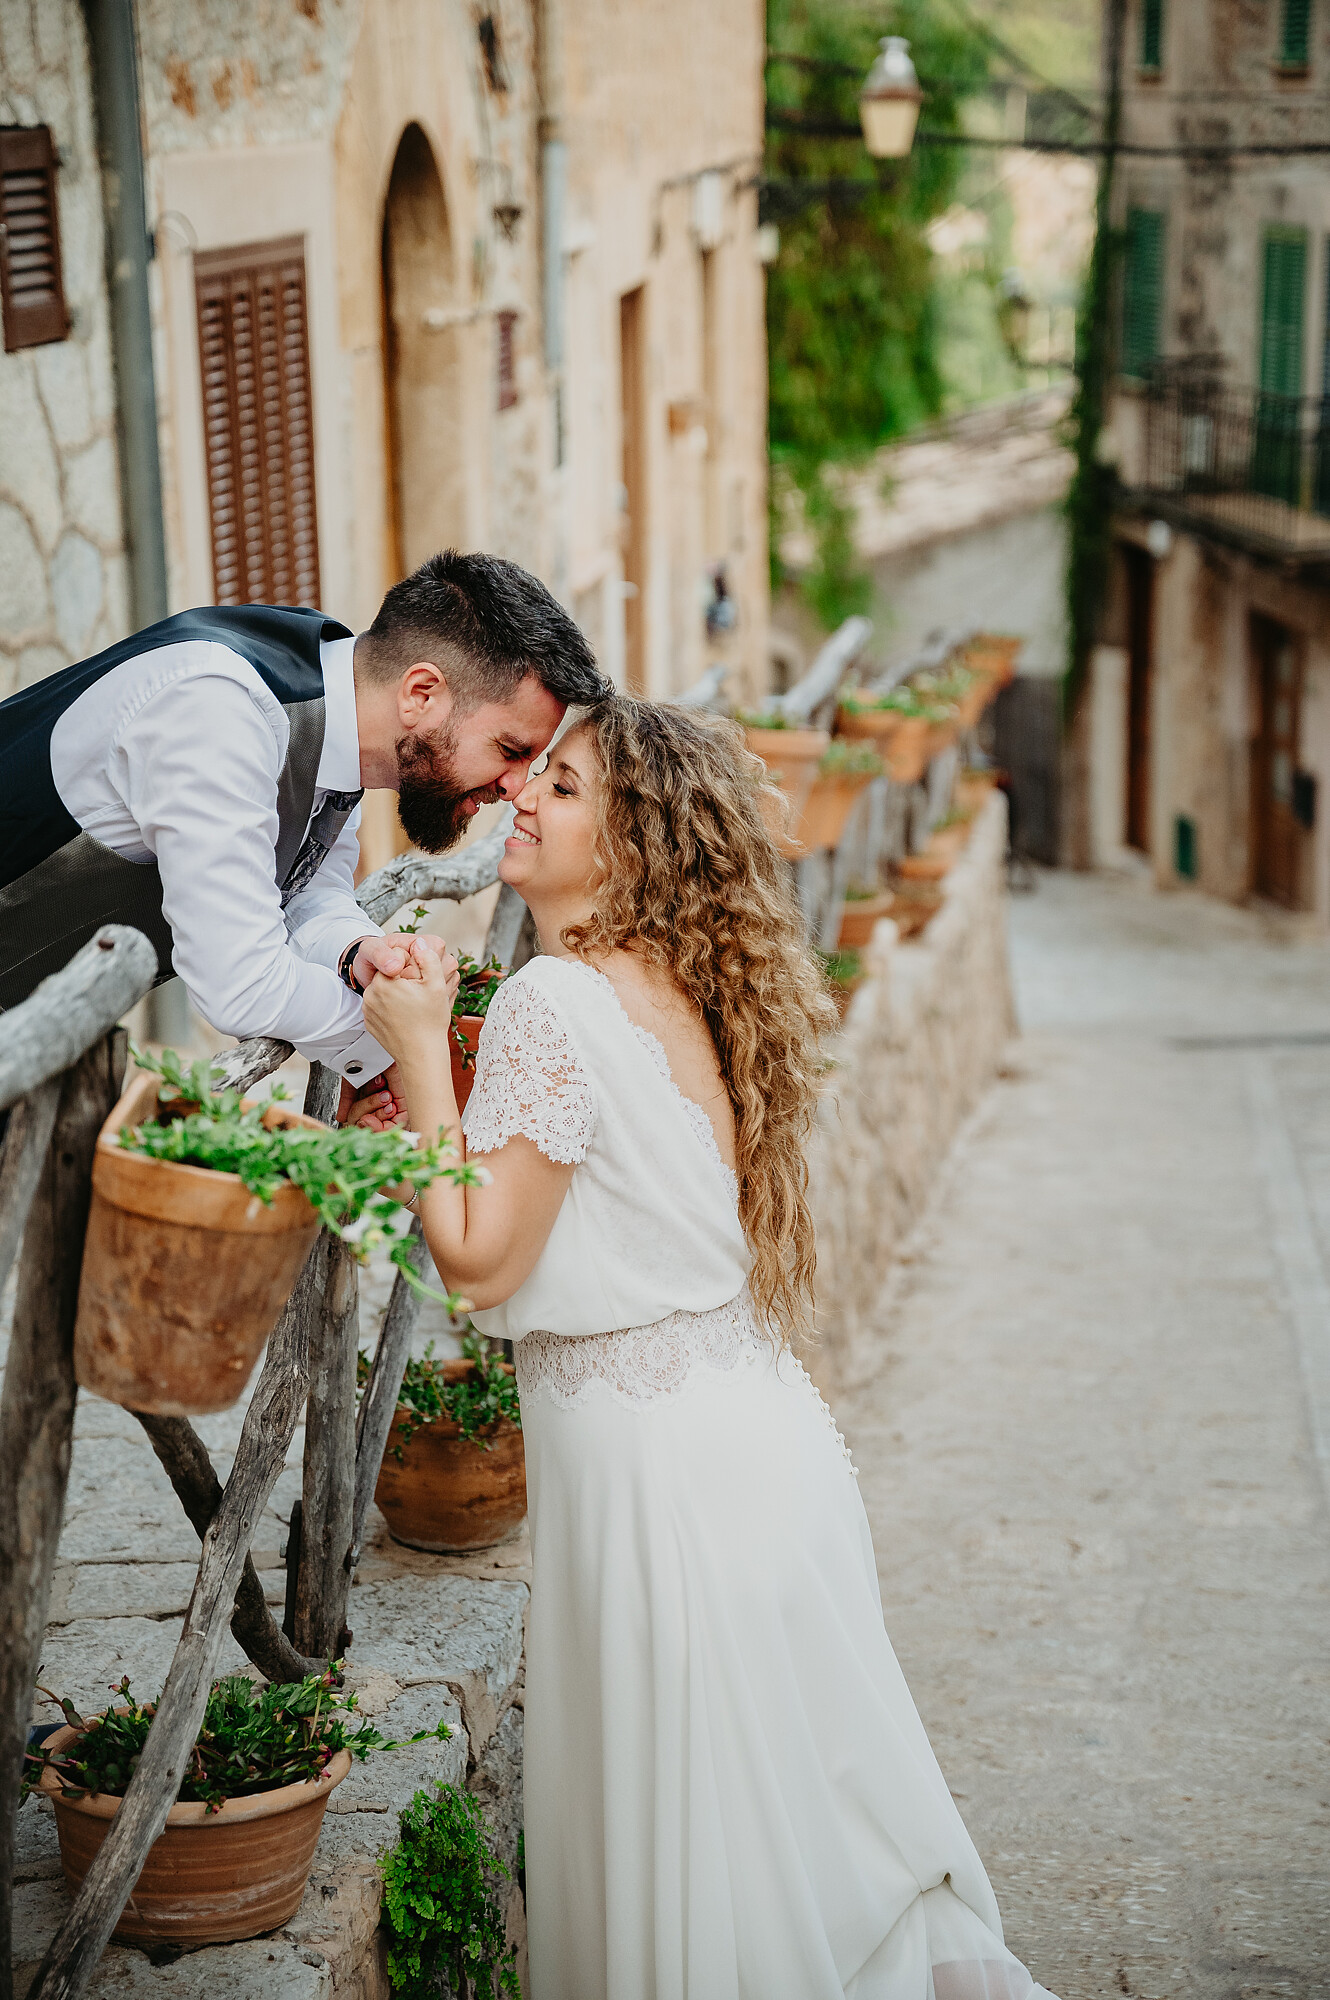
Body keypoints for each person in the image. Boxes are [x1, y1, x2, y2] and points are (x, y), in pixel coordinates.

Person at [354, 696, 1060, 2000]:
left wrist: (416, 1057)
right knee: (792, 1858)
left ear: (632, 839)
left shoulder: (557, 1001)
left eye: (561, 790)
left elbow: (478, 1256)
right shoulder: (686, 990)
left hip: (661, 1490)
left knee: (710, 1884)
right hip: (762, 1450)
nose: (522, 799)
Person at [0, 550, 608, 1108]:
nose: (514, 786)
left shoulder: (340, 718)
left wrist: (356, 955)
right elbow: (240, 984)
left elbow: (308, 894)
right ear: (421, 693)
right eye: (509, 748)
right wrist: (404, 1046)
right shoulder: (219, 712)